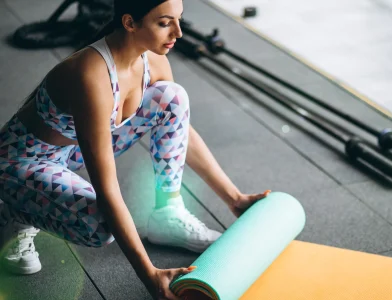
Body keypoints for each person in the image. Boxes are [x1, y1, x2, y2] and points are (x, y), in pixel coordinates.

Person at [0, 0, 270, 299]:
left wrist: (235, 199)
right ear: (129, 23)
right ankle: (17, 209)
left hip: (69, 151)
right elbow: (108, 189)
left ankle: (168, 213)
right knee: (100, 227)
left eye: (179, 20)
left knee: (172, 97)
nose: (178, 33)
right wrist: (151, 275)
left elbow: (181, 131)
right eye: (165, 23)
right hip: (21, 162)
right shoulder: (91, 76)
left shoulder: (151, 60)